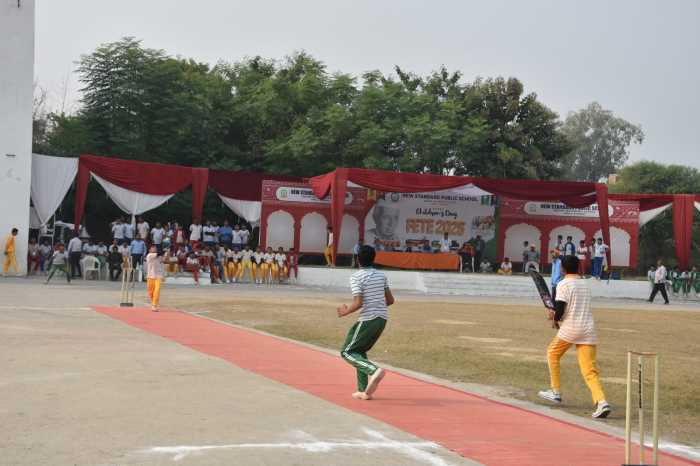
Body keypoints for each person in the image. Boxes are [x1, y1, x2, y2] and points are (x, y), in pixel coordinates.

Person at [538, 255, 611, 419]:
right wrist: (556, 318)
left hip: (571, 328)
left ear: (563, 269)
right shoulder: (585, 284)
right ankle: (601, 402)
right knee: (589, 370)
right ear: (578, 267)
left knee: (552, 353)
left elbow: (560, 308)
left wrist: (554, 318)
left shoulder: (563, 284)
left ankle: (555, 391)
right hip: (588, 329)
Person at [336, 245, 395, 401]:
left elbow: (358, 302)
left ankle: (374, 370)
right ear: (374, 258)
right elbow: (390, 300)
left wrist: (344, 312)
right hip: (382, 319)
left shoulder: (356, 277)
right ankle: (363, 391)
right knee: (359, 350)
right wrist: (377, 305)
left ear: (357, 259)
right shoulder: (381, 276)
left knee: (347, 352)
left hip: (368, 318)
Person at [145, 245, 165, 311]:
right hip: (150, 276)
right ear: (149, 250)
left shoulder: (159, 256)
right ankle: (154, 302)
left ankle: (154, 304)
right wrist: (164, 250)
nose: (154, 249)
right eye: (153, 248)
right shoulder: (149, 255)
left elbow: (164, 260)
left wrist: (167, 252)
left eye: (155, 248)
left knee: (157, 290)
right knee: (150, 292)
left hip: (158, 276)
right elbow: (159, 253)